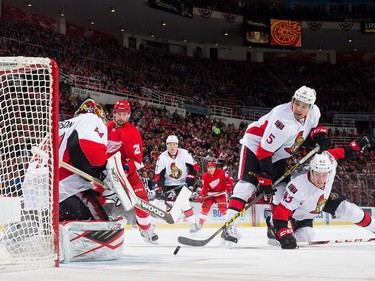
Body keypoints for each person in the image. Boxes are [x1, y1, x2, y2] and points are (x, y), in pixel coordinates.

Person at [222, 85, 331, 246]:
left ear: (311, 107)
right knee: (247, 186)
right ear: (293, 100)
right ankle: (229, 227)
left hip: (279, 152)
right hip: (256, 145)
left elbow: (305, 134)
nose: (299, 108)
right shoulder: (283, 121)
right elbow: (264, 151)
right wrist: (265, 178)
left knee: (282, 191)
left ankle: (274, 225)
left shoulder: (314, 113)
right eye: (297, 103)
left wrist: (319, 136)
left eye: (304, 106)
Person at [269, 134, 375, 249]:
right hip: (300, 213)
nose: (321, 180)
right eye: (317, 175)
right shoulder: (298, 185)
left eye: (324, 175)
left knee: (352, 211)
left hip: (323, 197)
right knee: (306, 238)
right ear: (311, 171)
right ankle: (272, 225)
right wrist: (284, 233)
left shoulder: (328, 160)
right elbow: (282, 212)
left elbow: (343, 153)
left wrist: (357, 146)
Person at [106, 100, 158, 244]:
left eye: (124, 114)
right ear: (114, 114)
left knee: (141, 200)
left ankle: (146, 229)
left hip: (125, 172)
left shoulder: (132, 132)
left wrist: (126, 169)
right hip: (104, 171)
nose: (121, 117)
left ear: (128, 115)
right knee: (94, 194)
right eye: (118, 114)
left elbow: (136, 159)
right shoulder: (106, 127)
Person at [58, 98, 109, 221]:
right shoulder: (91, 119)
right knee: (105, 228)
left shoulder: (60, 126)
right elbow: (84, 150)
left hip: (34, 194)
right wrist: (103, 174)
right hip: (65, 189)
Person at [154, 135, 200, 233]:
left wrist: (190, 181)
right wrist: (160, 188)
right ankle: (150, 227)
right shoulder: (162, 157)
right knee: (158, 203)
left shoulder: (184, 154)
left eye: (174, 144)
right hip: (167, 183)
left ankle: (193, 224)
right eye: (170, 144)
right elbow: (159, 175)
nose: (172, 146)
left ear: (177, 145)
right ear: (166, 145)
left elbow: (195, 167)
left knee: (184, 202)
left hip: (182, 182)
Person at [195, 161, 233, 230]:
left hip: (221, 194)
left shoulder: (221, 172)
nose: (210, 169)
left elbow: (230, 179)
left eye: (212, 167)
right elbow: (204, 189)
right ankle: (199, 225)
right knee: (204, 208)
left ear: (215, 168)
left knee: (223, 208)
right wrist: (201, 195)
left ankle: (229, 224)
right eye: (209, 168)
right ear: (207, 169)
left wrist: (229, 186)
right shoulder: (205, 176)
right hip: (210, 195)